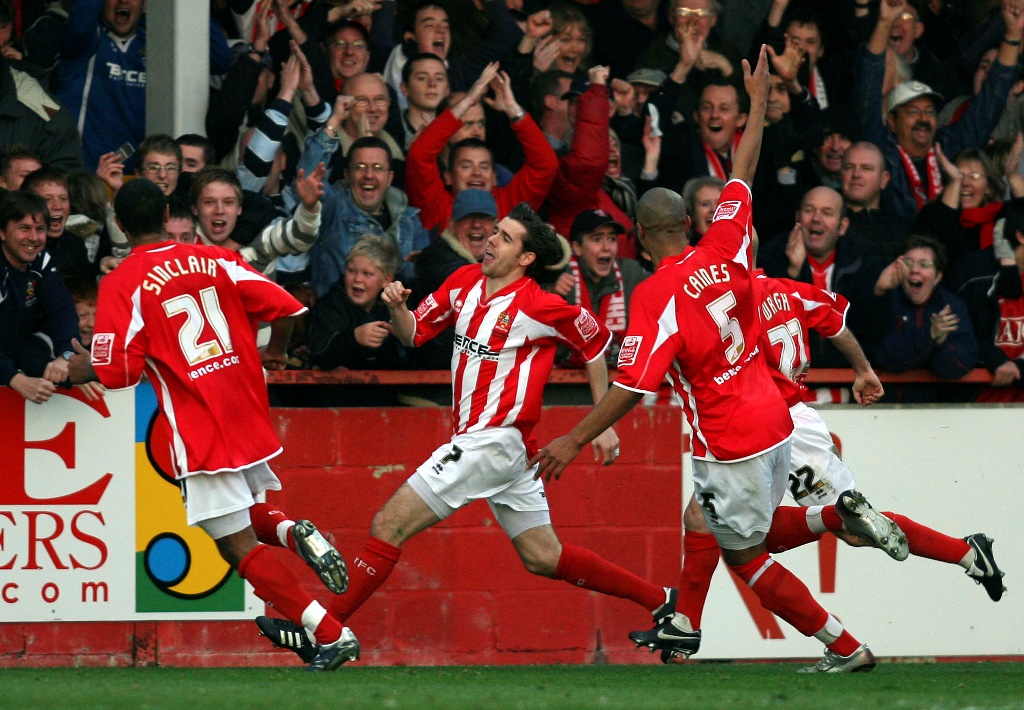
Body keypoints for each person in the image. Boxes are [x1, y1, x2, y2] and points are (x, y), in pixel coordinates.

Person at [533, 47, 880, 674]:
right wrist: (755, 105)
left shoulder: (655, 293)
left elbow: (632, 385)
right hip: (776, 419)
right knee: (701, 517)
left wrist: (576, 439)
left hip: (730, 439)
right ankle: (684, 628)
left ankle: (844, 638)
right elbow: (742, 168)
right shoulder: (726, 243)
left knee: (745, 555)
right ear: (685, 225)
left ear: (639, 235)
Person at [256, 202, 678, 660]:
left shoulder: (539, 305)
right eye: (494, 231)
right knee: (544, 556)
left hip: (493, 442)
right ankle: (661, 601)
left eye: (505, 237)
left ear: (525, 259)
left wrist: (603, 423)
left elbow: (594, 340)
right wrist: (398, 308)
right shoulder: (462, 284)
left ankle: (326, 632)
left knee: (388, 524)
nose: (491, 239)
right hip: (502, 449)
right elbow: (413, 334)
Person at [66, 178, 358, 671]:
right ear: (166, 214)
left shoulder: (122, 281)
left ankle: (330, 633)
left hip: (201, 425)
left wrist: (79, 370)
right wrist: (276, 351)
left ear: (118, 222)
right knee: (244, 513)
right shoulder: (217, 258)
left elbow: (119, 371)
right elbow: (288, 308)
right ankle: (291, 531)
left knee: (233, 546)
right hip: (246, 409)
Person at [664, 269, 1004, 663]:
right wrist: (863, 369)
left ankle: (963, 552)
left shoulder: (726, 300)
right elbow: (835, 319)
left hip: (766, 426)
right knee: (704, 518)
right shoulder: (787, 290)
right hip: (788, 420)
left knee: (842, 530)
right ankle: (684, 630)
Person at [853, 0, 1023, 224]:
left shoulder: (949, 146)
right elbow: (868, 86)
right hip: (896, 251)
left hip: (946, 252)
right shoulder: (881, 151)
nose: (923, 119)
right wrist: (884, 22)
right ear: (892, 122)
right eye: (913, 111)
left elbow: (992, 99)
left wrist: (1012, 33)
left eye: (930, 111)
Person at [405, 62, 559, 232]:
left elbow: (546, 164)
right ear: (448, 176)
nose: (476, 173)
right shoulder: (436, 204)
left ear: (494, 177)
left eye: (484, 167)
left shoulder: (509, 204)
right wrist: (468, 101)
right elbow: (419, 155)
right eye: (466, 166)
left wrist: (513, 108)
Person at [759, 186, 892, 370]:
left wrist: (878, 293)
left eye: (827, 213)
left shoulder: (862, 262)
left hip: (845, 377)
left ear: (842, 226)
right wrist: (791, 273)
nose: (816, 219)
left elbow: (871, 332)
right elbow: (767, 327)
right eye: (809, 210)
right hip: (787, 377)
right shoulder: (770, 256)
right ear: (798, 218)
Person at [297, 135, 428, 297]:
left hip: (394, 316)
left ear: (390, 178)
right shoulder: (334, 207)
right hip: (338, 316)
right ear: (347, 174)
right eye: (360, 167)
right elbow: (308, 180)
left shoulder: (410, 220)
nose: (369, 174)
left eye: (378, 167)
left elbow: (425, 277)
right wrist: (332, 125)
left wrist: (422, 264)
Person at [0, 191, 83, 404]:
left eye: (40, 229)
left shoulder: (41, 261)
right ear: (2, 232)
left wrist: (66, 358)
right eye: (24, 228)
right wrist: (14, 378)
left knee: (71, 375)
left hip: (17, 348)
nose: (34, 238)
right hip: (6, 362)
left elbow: (62, 311)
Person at [872, 235, 979, 383]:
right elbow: (882, 357)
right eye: (908, 263)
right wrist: (929, 336)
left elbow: (962, 365)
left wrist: (941, 344)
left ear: (937, 277)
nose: (914, 270)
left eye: (924, 264)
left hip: (936, 403)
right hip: (884, 400)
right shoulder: (886, 299)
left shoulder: (952, 306)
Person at [553, 209, 648, 368]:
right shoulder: (559, 276)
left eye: (612, 239)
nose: (606, 247)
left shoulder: (631, 274)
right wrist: (550, 291)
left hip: (618, 380)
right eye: (597, 239)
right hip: (566, 384)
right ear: (577, 247)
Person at [306, 235, 404, 371]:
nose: (357, 279)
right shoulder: (330, 305)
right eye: (351, 271)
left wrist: (404, 332)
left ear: (386, 280)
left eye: (367, 274)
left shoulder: (395, 306)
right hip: (340, 390)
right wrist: (354, 338)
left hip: (385, 389)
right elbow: (316, 351)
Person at [840, 141, 911, 263]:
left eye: (866, 168)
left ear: (884, 179)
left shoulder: (902, 228)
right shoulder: (828, 224)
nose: (856, 174)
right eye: (849, 167)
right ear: (840, 175)